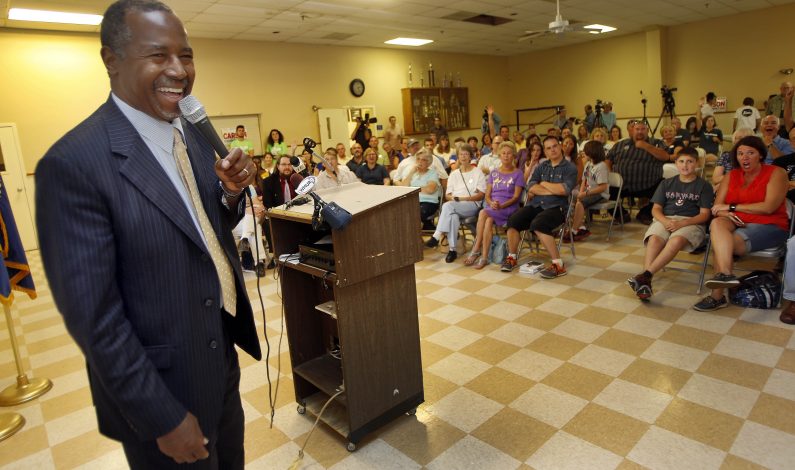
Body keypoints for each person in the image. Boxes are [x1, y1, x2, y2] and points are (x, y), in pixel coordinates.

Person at [35, 1, 261, 468]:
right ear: (112, 60)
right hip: (162, 390)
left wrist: (232, 195)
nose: (179, 70)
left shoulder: (193, 135)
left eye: (187, 54)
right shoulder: (73, 164)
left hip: (219, 361)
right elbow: (95, 319)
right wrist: (161, 417)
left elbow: (202, 228)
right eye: (159, 55)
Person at [694, 136, 789, 312]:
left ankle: (717, 296)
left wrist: (732, 207)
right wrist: (726, 213)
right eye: (740, 153)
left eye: (750, 153)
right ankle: (726, 275)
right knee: (717, 225)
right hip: (736, 220)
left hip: (770, 224)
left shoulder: (776, 173)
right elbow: (717, 207)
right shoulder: (731, 175)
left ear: (760, 155)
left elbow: (768, 208)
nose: (744, 157)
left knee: (722, 244)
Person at [627, 148, 714, 300]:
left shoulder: (704, 186)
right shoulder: (667, 183)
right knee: (654, 238)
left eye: (690, 161)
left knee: (676, 240)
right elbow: (656, 209)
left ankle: (645, 276)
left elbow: (705, 215)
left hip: (691, 222)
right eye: (681, 161)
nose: (685, 165)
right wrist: (666, 221)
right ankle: (645, 282)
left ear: (697, 163)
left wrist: (682, 224)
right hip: (666, 218)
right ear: (675, 163)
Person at [502, 136, 577, 277]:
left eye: (554, 146)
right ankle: (512, 257)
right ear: (546, 152)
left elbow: (564, 190)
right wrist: (550, 190)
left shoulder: (570, 168)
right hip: (537, 205)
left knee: (538, 224)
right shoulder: (542, 166)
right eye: (548, 148)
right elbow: (530, 186)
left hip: (557, 208)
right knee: (513, 220)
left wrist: (543, 184)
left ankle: (558, 265)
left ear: (560, 146)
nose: (552, 150)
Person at [464, 141, 524, 269]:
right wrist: (491, 203)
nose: (506, 156)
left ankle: (475, 250)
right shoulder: (494, 173)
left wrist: (502, 206)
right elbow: (487, 194)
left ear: (513, 155)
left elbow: (516, 197)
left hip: (509, 207)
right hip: (494, 206)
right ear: (499, 156)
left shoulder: (518, 173)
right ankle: (484, 257)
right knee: (488, 220)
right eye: (503, 153)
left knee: (483, 212)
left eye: (509, 153)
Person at [425, 144, 485, 262]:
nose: (463, 157)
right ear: (458, 156)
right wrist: (455, 199)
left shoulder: (478, 172)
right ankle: (453, 250)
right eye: (461, 154)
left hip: (472, 205)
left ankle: (436, 236)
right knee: (452, 216)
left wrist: (463, 199)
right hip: (455, 205)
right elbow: (447, 195)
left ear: (470, 156)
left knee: (447, 206)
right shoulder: (454, 174)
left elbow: (480, 195)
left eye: (466, 154)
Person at [606, 120, 669, 225]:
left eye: (643, 129)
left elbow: (665, 156)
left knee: (666, 188)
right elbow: (608, 159)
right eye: (637, 129)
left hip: (649, 184)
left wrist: (645, 146)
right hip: (622, 185)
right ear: (632, 130)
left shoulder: (657, 143)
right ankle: (621, 214)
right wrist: (609, 174)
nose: (640, 132)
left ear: (647, 130)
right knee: (604, 187)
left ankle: (645, 213)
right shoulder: (620, 144)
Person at [569, 141, 610, 242]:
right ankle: (581, 227)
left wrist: (584, 194)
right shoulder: (588, 164)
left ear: (592, 152)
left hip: (600, 194)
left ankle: (573, 230)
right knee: (569, 197)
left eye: (585, 151)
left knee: (580, 203)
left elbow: (603, 187)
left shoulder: (601, 166)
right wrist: (581, 193)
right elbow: (584, 180)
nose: (583, 153)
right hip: (589, 192)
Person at [395, 149, 441, 230]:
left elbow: (430, 190)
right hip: (413, 202)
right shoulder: (413, 173)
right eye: (418, 159)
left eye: (423, 160)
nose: (420, 162)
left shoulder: (432, 173)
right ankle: (426, 226)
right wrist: (411, 173)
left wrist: (412, 189)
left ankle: (417, 235)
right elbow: (404, 187)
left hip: (429, 202)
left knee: (415, 213)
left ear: (429, 163)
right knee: (398, 212)